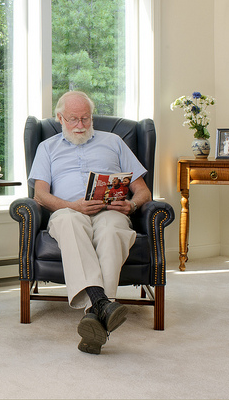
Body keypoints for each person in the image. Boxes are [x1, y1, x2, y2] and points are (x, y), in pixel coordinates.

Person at [28, 91, 152, 355]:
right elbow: (40, 195)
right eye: (73, 119)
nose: (81, 125)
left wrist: (131, 204)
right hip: (68, 211)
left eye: (86, 118)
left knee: (111, 229)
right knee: (71, 224)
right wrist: (73, 206)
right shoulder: (47, 147)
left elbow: (143, 191)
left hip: (109, 211)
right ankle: (102, 304)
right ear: (60, 118)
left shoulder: (114, 142)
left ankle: (94, 315)